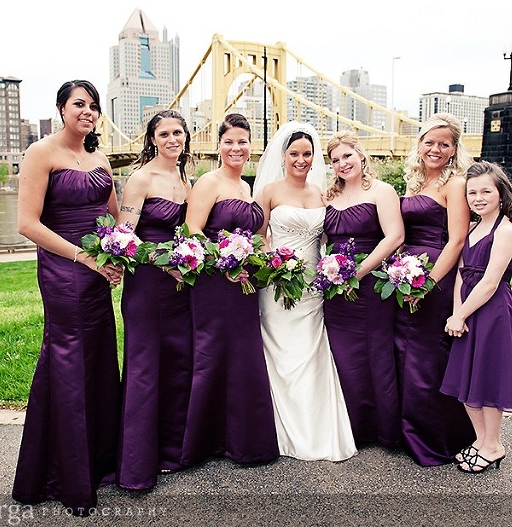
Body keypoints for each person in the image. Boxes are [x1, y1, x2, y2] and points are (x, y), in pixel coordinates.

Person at [12, 79, 122, 515]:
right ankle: (66, 478)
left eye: (93, 106)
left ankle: (97, 465)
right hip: (64, 271)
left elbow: (114, 215)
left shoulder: (99, 157)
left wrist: (120, 254)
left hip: (97, 271)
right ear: (61, 108)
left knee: (96, 360)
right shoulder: (41, 153)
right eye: (79, 104)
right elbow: (27, 224)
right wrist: (85, 258)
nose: (88, 111)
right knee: (69, 360)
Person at [253, 122, 357, 462]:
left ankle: (315, 430)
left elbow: (327, 237)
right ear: (283, 156)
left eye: (307, 154)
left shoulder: (321, 194)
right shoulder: (268, 190)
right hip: (275, 284)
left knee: (311, 354)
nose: (301, 159)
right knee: (280, 354)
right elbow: (256, 236)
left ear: (314, 159)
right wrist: (275, 262)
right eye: (294, 153)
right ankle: (278, 430)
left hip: (312, 287)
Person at [179, 113, 279, 467]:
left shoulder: (246, 187)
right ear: (218, 145)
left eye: (242, 141)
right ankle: (202, 444)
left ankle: (241, 440)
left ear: (252, 146)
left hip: (244, 287)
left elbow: (252, 237)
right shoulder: (209, 182)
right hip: (215, 283)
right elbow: (192, 233)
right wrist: (227, 263)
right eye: (229, 141)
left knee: (242, 359)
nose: (236, 148)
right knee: (211, 355)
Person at [116, 109, 194, 490]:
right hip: (147, 285)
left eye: (178, 132)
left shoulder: (184, 178)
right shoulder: (140, 178)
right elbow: (124, 238)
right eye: (164, 133)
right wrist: (165, 263)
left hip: (180, 288)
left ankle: (173, 451)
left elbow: (189, 231)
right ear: (152, 139)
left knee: (178, 364)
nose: (172, 139)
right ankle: (136, 463)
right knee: (145, 369)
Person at [393, 113, 476, 466]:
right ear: (419, 144)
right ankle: (408, 431)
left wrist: (428, 283)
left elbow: (457, 239)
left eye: (444, 144)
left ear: (455, 149)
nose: (436, 149)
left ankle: (439, 437)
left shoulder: (455, 184)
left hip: (433, 278)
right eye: (430, 142)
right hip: (402, 278)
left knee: (427, 357)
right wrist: (396, 270)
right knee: (403, 353)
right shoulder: (413, 182)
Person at [440, 160, 512, 473]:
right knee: (468, 378)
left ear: (500, 194)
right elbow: (462, 275)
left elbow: (490, 282)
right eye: (472, 192)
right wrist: (456, 312)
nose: (478, 197)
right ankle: (481, 440)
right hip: (466, 311)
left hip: (491, 313)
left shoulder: (505, 231)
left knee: (488, 380)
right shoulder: (473, 228)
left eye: (485, 191)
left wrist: (461, 314)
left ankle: (494, 445)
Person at [323, 130, 405, 447]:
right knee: (344, 357)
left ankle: (384, 430)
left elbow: (394, 237)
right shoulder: (328, 197)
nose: (343, 164)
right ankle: (354, 429)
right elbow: (325, 240)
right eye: (335, 160)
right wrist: (330, 272)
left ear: (361, 155)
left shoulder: (382, 192)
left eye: (347, 156)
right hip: (335, 289)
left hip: (370, 287)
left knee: (377, 354)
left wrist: (357, 271)